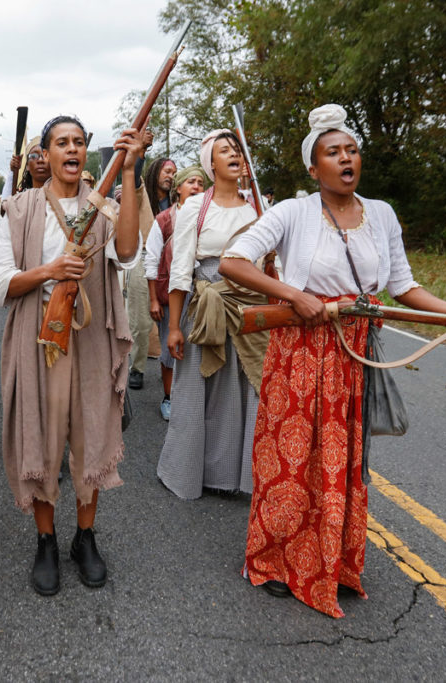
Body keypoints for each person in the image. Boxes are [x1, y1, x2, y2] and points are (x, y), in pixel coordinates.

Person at [219, 103, 446, 618]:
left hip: (353, 355)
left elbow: (405, 287)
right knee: (292, 461)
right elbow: (232, 261)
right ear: (314, 167)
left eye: (352, 150)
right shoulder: (291, 212)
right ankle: (279, 560)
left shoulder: (383, 214)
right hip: (301, 351)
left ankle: (334, 560)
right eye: (334, 152)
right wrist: (293, 295)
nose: (346, 158)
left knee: (340, 462)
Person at [0, 116, 143, 596]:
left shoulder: (108, 207)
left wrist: (130, 173)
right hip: (39, 337)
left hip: (91, 338)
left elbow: (129, 251)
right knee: (43, 436)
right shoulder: (17, 208)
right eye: (61, 143)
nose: (71, 149)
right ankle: (46, 540)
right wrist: (50, 270)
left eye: (79, 142)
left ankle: (86, 537)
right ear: (46, 154)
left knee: (90, 432)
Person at [155, 130, 270, 500]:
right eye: (225, 151)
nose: (235, 155)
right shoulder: (195, 207)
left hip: (250, 308)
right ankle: (190, 471)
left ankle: (241, 475)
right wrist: (174, 326)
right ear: (211, 163)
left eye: (238, 150)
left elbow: (270, 264)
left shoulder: (260, 207)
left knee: (247, 386)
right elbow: (181, 268)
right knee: (199, 388)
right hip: (206, 308)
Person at [144, 165, 207, 420]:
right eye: (191, 181)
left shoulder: (209, 218)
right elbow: (151, 260)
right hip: (170, 293)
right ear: (178, 188)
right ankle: (169, 397)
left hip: (202, 294)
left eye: (201, 183)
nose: (196, 187)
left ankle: (194, 398)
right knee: (171, 349)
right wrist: (153, 300)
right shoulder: (164, 220)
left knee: (198, 348)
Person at [126, 156, 175, 390]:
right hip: (143, 257)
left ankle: (170, 368)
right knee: (140, 320)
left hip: (172, 263)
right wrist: (141, 150)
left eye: (174, 173)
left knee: (171, 318)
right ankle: (136, 368)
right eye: (167, 171)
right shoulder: (141, 194)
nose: (171, 176)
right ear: (155, 172)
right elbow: (133, 173)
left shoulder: (178, 201)